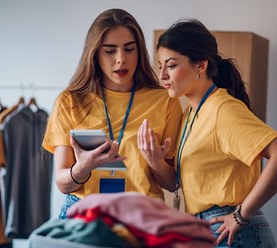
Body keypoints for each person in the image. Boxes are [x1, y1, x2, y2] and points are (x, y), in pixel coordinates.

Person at [137, 19, 277, 248]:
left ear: (200, 65)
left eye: (171, 65)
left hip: (234, 236)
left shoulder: (224, 110)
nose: (162, 75)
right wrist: (155, 160)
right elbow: (174, 184)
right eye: (160, 65)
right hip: (206, 234)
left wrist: (241, 215)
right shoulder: (190, 114)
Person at [42, 9, 183, 219]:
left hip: (143, 218)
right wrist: (82, 167)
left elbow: (172, 183)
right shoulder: (71, 101)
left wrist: (156, 162)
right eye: (110, 51)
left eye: (129, 49)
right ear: (95, 53)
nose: (121, 59)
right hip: (86, 217)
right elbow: (63, 183)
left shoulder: (165, 100)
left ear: (140, 51)